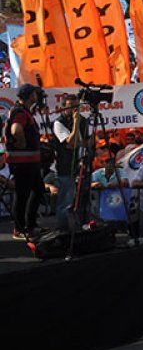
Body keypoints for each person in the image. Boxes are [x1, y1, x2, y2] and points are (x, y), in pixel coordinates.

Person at [7, 84, 44, 239]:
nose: (37, 96)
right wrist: (21, 142)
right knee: (22, 194)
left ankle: (31, 224)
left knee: (39, 190)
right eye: (35, 94)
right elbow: (16, 129)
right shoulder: (19, 112)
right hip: (22, 161)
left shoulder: (25, 111)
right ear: (30, 96)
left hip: (30, 161)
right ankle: (19, 228)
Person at [52, 92, 93, 229]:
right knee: (66, 201)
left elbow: (91, 140)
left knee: (84, 200)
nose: (74, 110)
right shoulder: (59, 122)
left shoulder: (84, 120)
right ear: (64, 107)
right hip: (66, 166)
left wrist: (81, 143)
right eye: (71, 107)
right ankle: (63, 229)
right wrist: (75, 123)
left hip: (82, 165)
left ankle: (84, 226)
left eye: (77, 107)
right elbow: (71, 143)